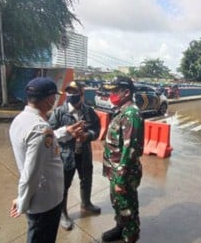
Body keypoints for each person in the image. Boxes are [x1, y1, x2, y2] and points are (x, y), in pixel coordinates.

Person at [9, 77, 84, 242]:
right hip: (45, 203)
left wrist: (65, 131)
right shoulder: (40, 128)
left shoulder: (21, 119)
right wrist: (22, 201)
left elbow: (42, 143)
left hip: (41, 199)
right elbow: (31, 174)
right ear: (50, 99)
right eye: (55, 97)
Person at [49, 81, 101, 231]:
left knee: (86, 179)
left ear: (82, 95)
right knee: (64, 185)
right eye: (69, 92)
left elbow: (97, 128)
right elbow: (50, 134)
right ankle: (63, 212)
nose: (71, 95)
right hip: (66, 155)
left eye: (75, 92)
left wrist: (88, 135)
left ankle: (86, 203)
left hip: (84, 153)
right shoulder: (59, 112)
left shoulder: (89, 111)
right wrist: (68, 133)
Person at [101, 76, 144, 243]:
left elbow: (130, 150)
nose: (111, 94)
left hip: (124, 173)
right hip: (116, 170)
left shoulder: (131, 114)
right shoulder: (121, 111)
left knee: (127, 207)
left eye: (114, 91)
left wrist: (120, 178)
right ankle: (120, 228)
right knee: (119, 204)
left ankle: (130, 235)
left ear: (126, 92)